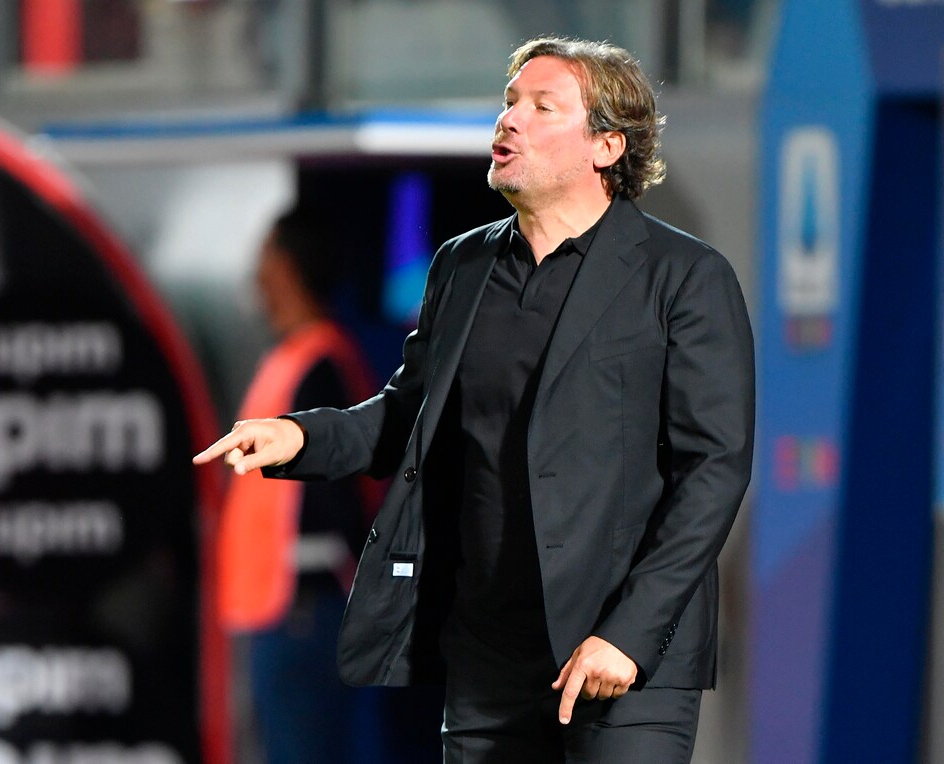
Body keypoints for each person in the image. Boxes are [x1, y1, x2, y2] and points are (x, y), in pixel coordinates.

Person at [196, 36, 755, 763]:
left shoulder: (683, 276)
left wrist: (629, 635)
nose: (509, 120)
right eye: (509, 102)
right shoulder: (462, 266)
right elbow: (410, 418)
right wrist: (301, 437)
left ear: (607, 146)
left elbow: (712, 470)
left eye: (542, 107)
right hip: (488, 661)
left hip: (619, 661)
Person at [216, 207, 383, 763]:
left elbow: (341, 496)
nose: (255, 275)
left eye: (265, 257)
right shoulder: (293, 360)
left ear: (287, 268)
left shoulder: (320, 365)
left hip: (302, 610)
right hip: (281, 609)